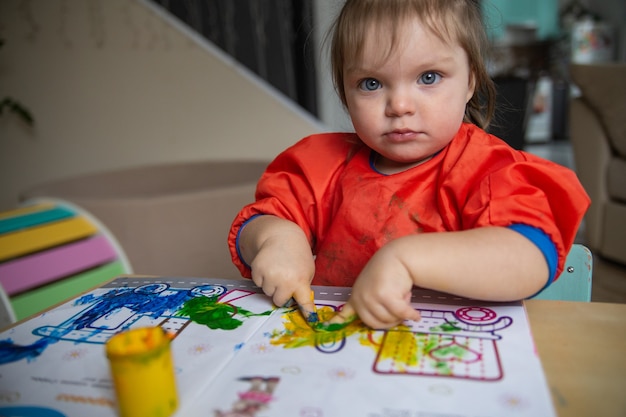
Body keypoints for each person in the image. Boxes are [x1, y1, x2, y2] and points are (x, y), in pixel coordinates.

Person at [227, 0, 590, 330]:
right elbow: (255, 224)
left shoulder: (489, 170)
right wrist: (275, 238)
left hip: (446, 356)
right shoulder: (319, 165)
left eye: (428, 77)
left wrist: (405, 259)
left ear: (470, 82)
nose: (399, 105)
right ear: (345, 93)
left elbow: (530, 258)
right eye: (370, 83)